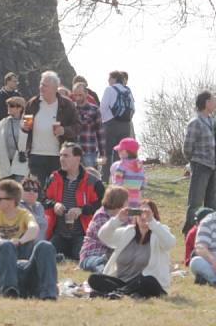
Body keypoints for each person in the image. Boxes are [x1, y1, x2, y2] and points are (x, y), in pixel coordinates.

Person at [88, 199, 175, 298]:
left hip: (146, 284)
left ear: (154, 216)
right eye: (140, 212)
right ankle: (120, 293)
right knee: (94, 278)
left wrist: (152, 222)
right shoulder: (128, 232)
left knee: (147, 280)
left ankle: (115, 293)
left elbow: (170, 243)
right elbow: (103, 236)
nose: (143, 216)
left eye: (147, 213)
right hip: (123, 282)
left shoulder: (159, 233)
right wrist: (117, 219)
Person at [43, 141, 104, 260]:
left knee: (80, 255)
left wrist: (82, 210)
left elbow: (103, 204)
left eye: (66, 156)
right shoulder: (53, 178)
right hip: (59, 234)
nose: (61, 159)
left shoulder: (93, 182)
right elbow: (43, 199)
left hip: (82, 234)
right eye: (60, 155)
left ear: (77, 158)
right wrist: (54, 205)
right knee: (46, 252)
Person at [22, 70, 80, 188]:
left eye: (45, 85)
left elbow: (78, 127)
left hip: (59, 156)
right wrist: (24, 127)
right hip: (36, 154)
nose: (41, 88)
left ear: (55, 88)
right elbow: (24, 124)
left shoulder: (67, 105)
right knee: (37, 190)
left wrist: (64, 130)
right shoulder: (32, 103)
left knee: (58, 190)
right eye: (41, 84)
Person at [182, 90, 216, 234]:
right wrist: (194, 162)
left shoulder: (212, 121)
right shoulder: (195, 122)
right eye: (213, 100)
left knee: (212, 203)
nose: (215, 102)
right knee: (195, 202)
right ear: (206, 103)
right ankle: (189, 232)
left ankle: (210, 233)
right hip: (201, 166)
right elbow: (187, 147)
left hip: (213, 166)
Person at [79, 185, 129, 272]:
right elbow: (108, 240)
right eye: (127, 201)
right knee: (96, 262)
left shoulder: (126, 216)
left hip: (112, 255)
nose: (128, 203)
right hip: (93, 253)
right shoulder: (100, 216)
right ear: (119, 202)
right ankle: (102, 267)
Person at [99, 70, 135, 182]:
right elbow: (133, 109)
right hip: (125, 124)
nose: (108, 81)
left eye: (109, 79)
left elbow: (103, 107)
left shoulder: (109, 89)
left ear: (114, 79)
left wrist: (103, 121)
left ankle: (105, 178)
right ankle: (120, 177)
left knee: (108, 152)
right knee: (122, 152)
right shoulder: (127, 91)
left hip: (110, 124)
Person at [0, 96, 29, 180]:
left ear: (20, 108)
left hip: (21, 161)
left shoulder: (27, 122)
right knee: (7, 188)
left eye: (12, 106)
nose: (9, 108)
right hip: (6, 160)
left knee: (19, 187)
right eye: (8, 105)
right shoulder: (4, 122)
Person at [71, 82, 105, 169]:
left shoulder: (95, 110)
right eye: (75, 95)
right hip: (73, 151)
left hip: (89, 151)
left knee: (90, 178)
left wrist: (102, 154)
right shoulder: (71, 109)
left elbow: (100, 133)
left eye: (80, 95)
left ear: (86, 94)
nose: (78, 98)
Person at [109, 137, 146, 209]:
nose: (118, 152)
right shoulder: (140, 165)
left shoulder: (121, 166)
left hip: (122, 201)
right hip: (136, 199)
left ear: (125, 152)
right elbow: (143, 184)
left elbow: (117, 184)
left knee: (123, 217)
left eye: (120, 150)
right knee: (134, 216)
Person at [189, 209, 216, 283]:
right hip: (213, 264)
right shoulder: (208, 222)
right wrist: (213, 260)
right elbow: (200, 247)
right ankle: (213, 280)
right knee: (196, 262)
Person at [20, 176, 47, 242]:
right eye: (27, 189)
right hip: (23, 246)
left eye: (35, 190)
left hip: (40, 246)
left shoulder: (39, 206)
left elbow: (42, 223)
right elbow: (40, 222)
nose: (31, 192)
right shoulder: (17, 206)